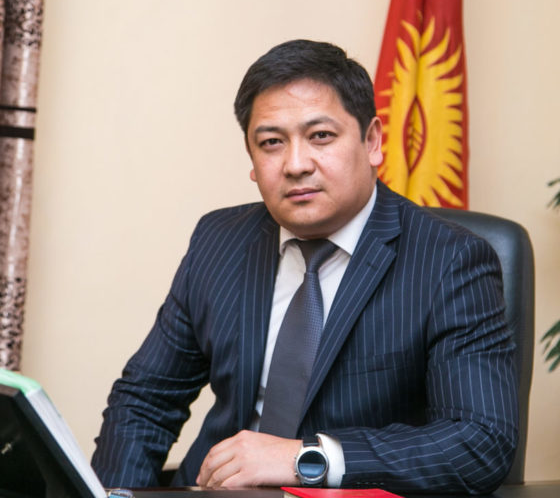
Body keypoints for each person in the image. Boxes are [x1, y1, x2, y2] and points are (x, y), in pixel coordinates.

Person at [92, 39, 518, 494]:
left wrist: (306, 457)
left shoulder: (449, 260)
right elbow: (145, 402)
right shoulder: (219, 241)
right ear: (252, 160)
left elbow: (479, 441)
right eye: (272, 143)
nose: (295, 165)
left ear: (372, 141)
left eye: (321, 137)